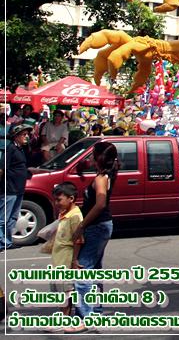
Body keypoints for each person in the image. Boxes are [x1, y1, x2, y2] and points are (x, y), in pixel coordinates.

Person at [67, 141, 119, 331]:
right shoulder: (106, 175)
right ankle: (95, 310)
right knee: (95, 269)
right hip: (102, 226)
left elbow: (100, 204)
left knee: (82, 268)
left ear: (99, 158)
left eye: (92, 154)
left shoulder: (101, 179)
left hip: (97, 226)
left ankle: (84, 317)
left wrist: (82, 225)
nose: (89, 157)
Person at [50, 183, 84, 318]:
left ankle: (65, 318)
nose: (57, 203)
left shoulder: (75, 216)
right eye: (55, 200)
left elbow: (78, 240)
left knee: (65, 292)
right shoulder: (64, 213)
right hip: (58, 260)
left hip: (66, 261)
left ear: (71, 199)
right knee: (59, 291)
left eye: (59, 200)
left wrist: (74, 261)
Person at [3, 124, 33, 250]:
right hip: (10, 189)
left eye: (27, 135)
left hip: (19, 189)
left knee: (13, 217)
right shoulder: (10, 149)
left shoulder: (21, 149)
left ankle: (7, 241)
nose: (26, 137)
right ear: (16, 136)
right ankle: (2, 241)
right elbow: (3, 168)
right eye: (24, 135)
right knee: (3, 218)